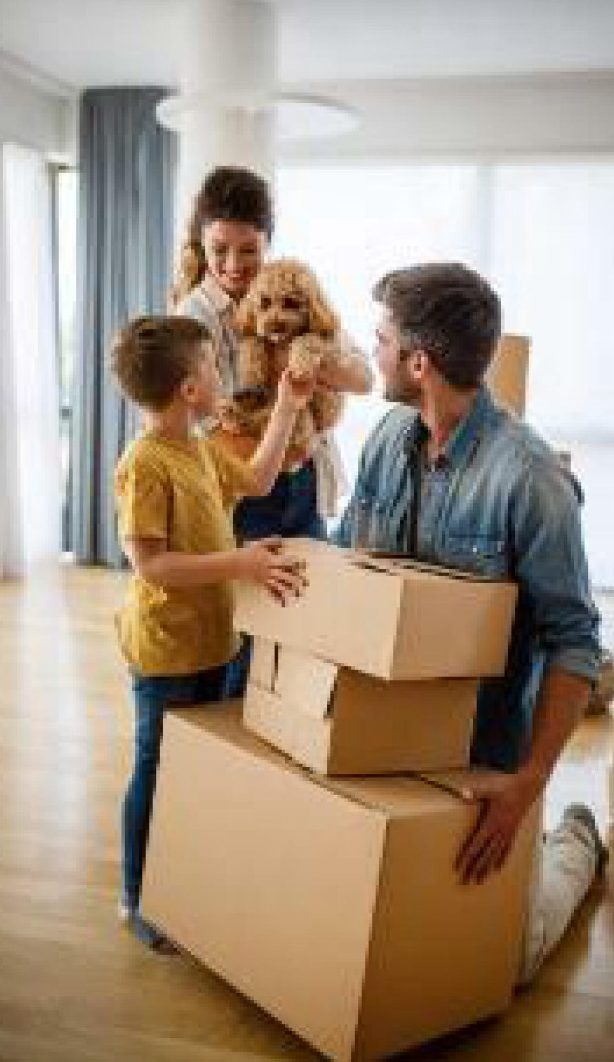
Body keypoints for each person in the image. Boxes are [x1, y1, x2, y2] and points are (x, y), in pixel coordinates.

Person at [334, 262, 607, 982]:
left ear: (418, 363)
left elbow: (577, 643)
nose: (374, 351)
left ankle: (575, 837)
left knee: (503, 966)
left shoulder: (532, 479)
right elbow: (346, 564)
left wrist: (526, 782)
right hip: (381, 730)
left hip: (482, 752)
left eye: (382, 339)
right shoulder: (384, 439)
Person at [111, 314, 311, 948]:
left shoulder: (200, 447)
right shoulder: (145, 464)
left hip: (215, 641)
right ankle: (138, 897)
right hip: (167, 650)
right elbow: (152, 563)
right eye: (212, 366)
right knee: (157, 766)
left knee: (196, 771)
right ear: (189, 388)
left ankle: (188, 881)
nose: (222, 374)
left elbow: (256, 480)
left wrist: (285, 410)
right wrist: (242, 562)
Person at [173, 165, 373, 694]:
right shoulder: (196, 315)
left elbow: (363, 375)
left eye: (248, 250)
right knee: (255, 622)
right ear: (201, 241)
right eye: (220, 249)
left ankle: (290, 731)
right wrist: (283, 420)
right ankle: (241, 737)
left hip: (303, 482)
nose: (234, 265)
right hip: (249, 488)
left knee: (309, 609)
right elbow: (215, 427)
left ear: (268, 244)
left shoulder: (291, 287)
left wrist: (305, 358)